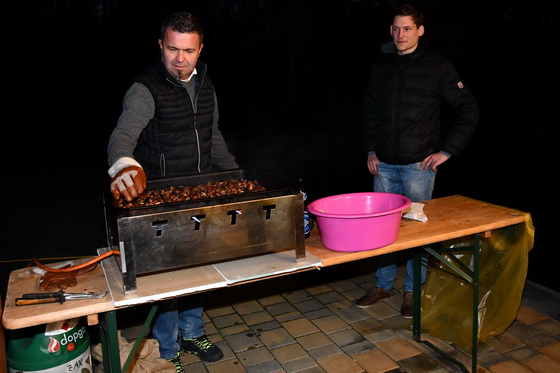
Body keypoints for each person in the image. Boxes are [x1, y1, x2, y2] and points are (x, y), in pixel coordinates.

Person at [107, 11, 237, 370]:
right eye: (172, 50)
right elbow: (122, 136)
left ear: (200, 50)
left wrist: (237, 174)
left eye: (189, 51)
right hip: (162, 199)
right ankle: (167, 351)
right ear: (160, 46)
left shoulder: (207, 83)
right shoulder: (145, 87)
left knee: (200, 270)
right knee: (168, 280)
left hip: (201, 192)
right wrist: (123, 165)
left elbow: (213, 136)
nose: (180, 59)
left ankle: (192, 332)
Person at [357, 4, 479, 318]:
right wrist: (371, 149)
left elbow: (469, 111)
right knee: (380, 232)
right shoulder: (381, 65)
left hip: (418, 168)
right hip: (383, 165)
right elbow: (369, 111)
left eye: (408, 28)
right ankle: (383, 285)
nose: (401, 35)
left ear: (420, 30)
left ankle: (412, 291)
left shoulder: (437, 65)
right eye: (396, 29)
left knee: (415, 233)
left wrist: (446, 152)